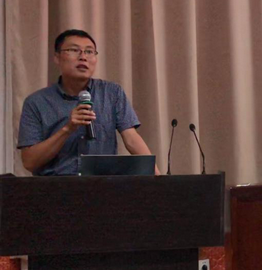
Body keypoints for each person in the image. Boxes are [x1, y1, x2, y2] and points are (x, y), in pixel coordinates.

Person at [18, 29, 160, 175]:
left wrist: (159, 178)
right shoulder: (36, 102)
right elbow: (30, 162)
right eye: (74, 50)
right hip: (55, 184)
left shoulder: (112, 93)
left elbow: (131, 139)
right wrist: (67, 129)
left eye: (89, 51)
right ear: (57, 57)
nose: (83, 57)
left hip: (102, 183)